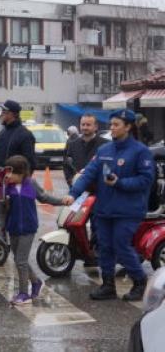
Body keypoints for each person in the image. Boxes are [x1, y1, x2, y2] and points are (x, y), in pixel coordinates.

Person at [64, 109, 154, 301]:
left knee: (121, 245)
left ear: (128, 127)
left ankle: (140, 282)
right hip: (104, 209)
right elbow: (88, 173)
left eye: (116, 125)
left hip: (128, 210)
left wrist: (119, 182)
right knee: (104, 247)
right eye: (111, 124)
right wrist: (73, 194)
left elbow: (146, 180)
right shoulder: (104, 150)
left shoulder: (141, 151)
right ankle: (108, 286)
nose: (111, 128)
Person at [0, 155, 65, 305]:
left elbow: (45, 198)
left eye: (11, 172)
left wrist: (62, 201)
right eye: (6, 172)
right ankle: (36, 282)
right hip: (13, 228)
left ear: (22, 173)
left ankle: (23, 293)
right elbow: (1, 212)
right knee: (21, 260)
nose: (7, 175)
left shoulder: (31, 184)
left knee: (20, 261)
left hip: (28, 228)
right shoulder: (6, 187)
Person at [63, 114, 109, 188]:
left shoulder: (106, 145)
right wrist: (71, 181)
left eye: (88, 125)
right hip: (78, 190)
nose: (85, 127)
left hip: (99, 190)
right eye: (83, 124)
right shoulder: (72, 145)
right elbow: (66, 166)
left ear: (96, 127)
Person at [0, 100, 36, 169]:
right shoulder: (2, 132)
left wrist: (21, 178)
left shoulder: (25, 135)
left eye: (4, 112)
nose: (1, 114)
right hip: (0, 177)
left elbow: (30, 162)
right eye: (2, 112)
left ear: (13, 114)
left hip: (15, 178)